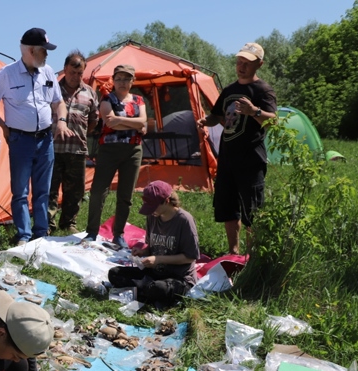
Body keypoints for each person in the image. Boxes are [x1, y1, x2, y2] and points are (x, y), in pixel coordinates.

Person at [0, 27, 72, 245]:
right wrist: (3, 126)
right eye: (44, 50)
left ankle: (41, 233)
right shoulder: (5, 74)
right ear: (31, 51)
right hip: (20, 140)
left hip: (45, 139)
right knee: (20, 190)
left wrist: (62, 121)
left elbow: (58, 102)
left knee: (43, 190)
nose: (47, 54)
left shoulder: (47, 72)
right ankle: (24, 236)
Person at [197, 42, 277, 255]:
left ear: (259, 64)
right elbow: (217, 116)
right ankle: (233, 252)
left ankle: (251, 256)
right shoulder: (230, 90)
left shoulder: (263, 90)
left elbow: (273, 121)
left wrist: (254, 111)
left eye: (247, 63)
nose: (241, 67)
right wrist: (206, 121)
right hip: (227, 158)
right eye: (239, 62)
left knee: (253, 210)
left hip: (251, 159)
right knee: (228, 208)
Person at [84, 64, 148, 249]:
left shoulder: (138, 100)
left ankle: (118, 234)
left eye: (126, 78)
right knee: (98, 191)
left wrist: (120, 120)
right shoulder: (106, 98)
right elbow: (109, 123)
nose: (122, 82)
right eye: (118, 78)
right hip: (109, 151)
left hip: (133, 151)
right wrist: (135, 124)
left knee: (125, 194)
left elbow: (143, 121)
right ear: (113, 80)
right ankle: (92, 231)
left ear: (132, 81)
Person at [107, 181, 200, 307]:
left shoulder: (184, 220)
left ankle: (143, 293)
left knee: (159, 288)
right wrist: (143, 252)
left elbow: (190, 257)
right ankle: (149, 295)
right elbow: (153, 247)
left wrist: (158, 259)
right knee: (114, 273)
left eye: (153, 207)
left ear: (167, 201)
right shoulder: (153, 216)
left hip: (178, 277)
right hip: (154, 273)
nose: (151, 211)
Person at [48, 50, 99, 234]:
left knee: (75, 191)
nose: (75, 76)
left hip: (77, 150)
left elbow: (94, 120)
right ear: (64, 69)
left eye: (79, 73)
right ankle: (48, 224)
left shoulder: (90, 93)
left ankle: (69, 222)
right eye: (72, 72)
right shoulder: (52, 90)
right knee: (50, 188)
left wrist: (80, 133)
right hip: (53, 148)